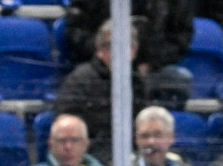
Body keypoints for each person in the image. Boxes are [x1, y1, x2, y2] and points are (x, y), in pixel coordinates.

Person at [62, 0, 196, 104]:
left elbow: (180, 38)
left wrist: (151, 63)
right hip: (100, 68)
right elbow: (77, 32)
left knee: (178, 81)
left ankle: (151, 132)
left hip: (151, 69)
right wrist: (106, 55)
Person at [55, 20, 141, 165]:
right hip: (92, 160)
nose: (117, 53)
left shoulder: (137, 82)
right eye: (109, 46)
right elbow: (68, 128)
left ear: (134, 51)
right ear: (99, 50)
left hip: (131, 160)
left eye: (124, 46)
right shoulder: (81, 79)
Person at [18, 113, 112, 166]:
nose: (68, 147)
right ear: (51, 144)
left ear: (86, 145)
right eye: (62, 140)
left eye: (75, 140)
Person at [133, 103, 202, 166]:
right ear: (137, 139)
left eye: (158, 135)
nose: (151, 142)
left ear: (171, 137)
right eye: (145, 136)